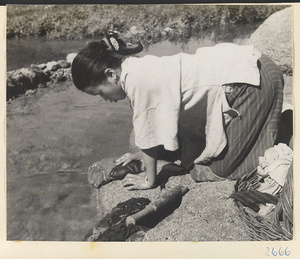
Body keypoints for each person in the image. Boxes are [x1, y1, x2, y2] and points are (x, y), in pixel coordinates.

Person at [71, 32, 284, 190]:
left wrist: (149, 180)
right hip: (245, 67)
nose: (105, 99)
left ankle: (283, 132)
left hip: (254, 79)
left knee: (219, 170)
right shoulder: (132, 68)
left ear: (110, 75)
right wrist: (141, 155)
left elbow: (148, 133)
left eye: (100, 93)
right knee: (195, 154)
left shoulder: (138, 81)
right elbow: (159, 125)